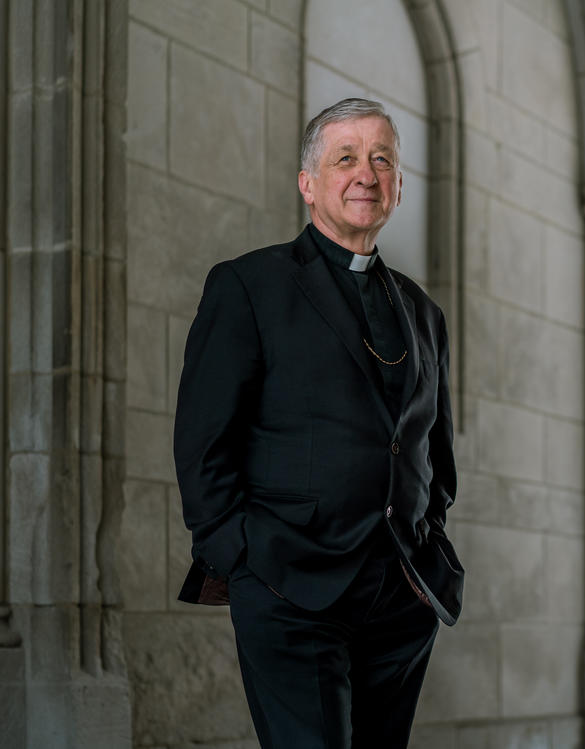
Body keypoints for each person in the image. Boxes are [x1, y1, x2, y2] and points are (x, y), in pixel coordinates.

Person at [173, 97, 463, 749]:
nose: (367, 172)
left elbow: (433, 447)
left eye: (382, 158)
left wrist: (429, 536)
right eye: (347, 157)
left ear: (397, 184)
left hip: (400, 590)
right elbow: (202, 441)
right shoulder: (249, 285)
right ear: (309, 184)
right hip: (289, 583)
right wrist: (242, 560)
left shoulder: (423, 312)